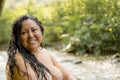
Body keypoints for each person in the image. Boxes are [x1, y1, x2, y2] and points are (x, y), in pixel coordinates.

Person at [6, 15, 77, 80]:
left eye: (34, 30)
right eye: (24, 32)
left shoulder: (45, 53)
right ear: (18, 38)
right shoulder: (17, 60)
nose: (30, 35)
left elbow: (68, 76)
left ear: (41, 31)